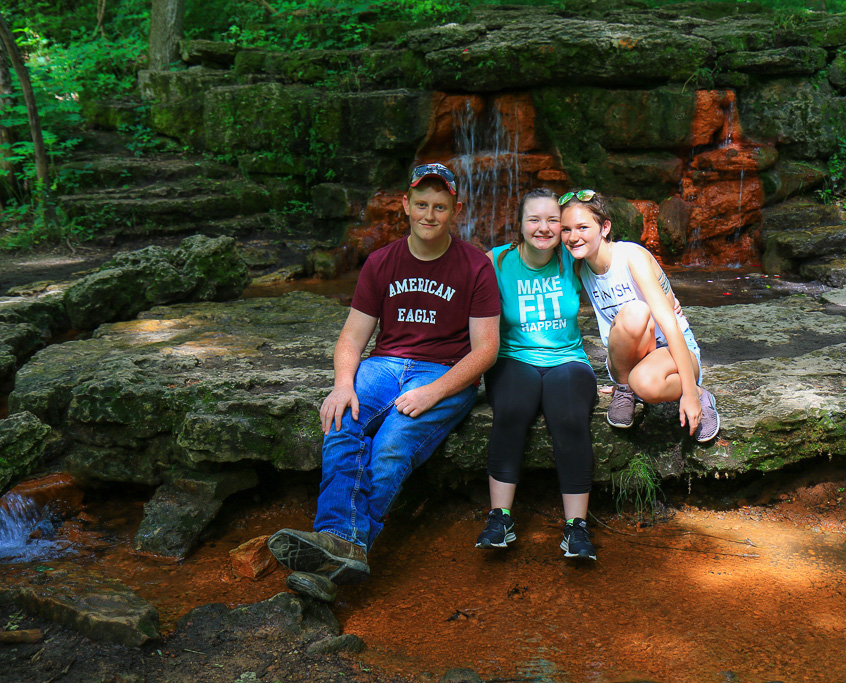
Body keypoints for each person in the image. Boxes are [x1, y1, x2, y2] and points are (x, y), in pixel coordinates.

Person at [268, 163, 501, 602]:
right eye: (421, 205)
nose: (429, 215)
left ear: (455, 210)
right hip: (386, 363)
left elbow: (485, 350)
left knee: (392, 444)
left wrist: (436, 390)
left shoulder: (475, 266)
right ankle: (342, 549)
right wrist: (342, 383)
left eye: (440, 207)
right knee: (342, 419)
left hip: (444, 372)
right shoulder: (381, 262)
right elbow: (352, 337)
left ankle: (330, 553)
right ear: (406, 206)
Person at [475, 188, 599, 560]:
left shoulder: (573, 258)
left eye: (552, 220)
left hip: (567, 360)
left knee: (569, 416)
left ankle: (576, 528)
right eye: (534, 219)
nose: (544, 228)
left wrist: (663, 298)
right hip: (514, 358)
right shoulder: (496, 262)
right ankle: (500, 518)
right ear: (520, 225)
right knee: (512, 409)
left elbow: (619, 277)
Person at [558, 189, 720, 441]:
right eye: (566, 229)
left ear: (604, 227)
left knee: (636, 314)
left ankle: (700, 394)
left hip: (675, 354)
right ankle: (625, 390)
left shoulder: (630, 257)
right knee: (635, 360)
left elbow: (669, 325)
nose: (573, 237)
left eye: (582, 227)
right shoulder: (578, 265)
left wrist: (688, 393)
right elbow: (532, 250)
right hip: (625, 358)